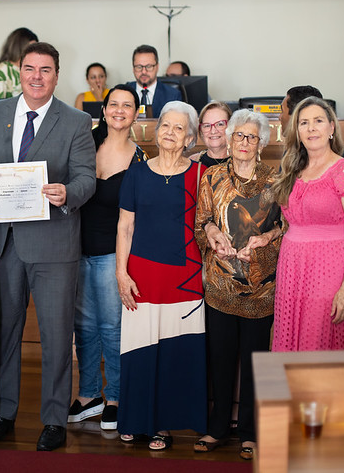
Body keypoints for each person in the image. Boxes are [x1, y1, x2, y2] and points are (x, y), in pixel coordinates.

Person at [0, 42, 96, 452]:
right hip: (5, 245)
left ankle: (54, 420)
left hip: (55, 247)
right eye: (29, 68)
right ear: (19, 72)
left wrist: (66, 192)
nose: (36, 76)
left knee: (57, 338)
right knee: (5, 334)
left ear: (57, 75)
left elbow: (86, 179)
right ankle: (3, 413)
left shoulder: (76, 121)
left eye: (45, 70)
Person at [115, 100, 206, 450]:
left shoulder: (200, 175)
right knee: (138, 349)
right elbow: (125, 227)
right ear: (156, 131)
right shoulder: (136, 172)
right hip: (141, 274)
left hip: (186, 277)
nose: (170, 132)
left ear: (189, 138)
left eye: (178, 128)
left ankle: (163, 426)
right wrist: (121, 274)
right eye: (165, 125)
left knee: (175, 352)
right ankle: (136, 419)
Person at [194, 109, 282, 461]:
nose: (244, 142)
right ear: (228, 140)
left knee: (255, 362)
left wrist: (267, 238)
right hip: (220, 286)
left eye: (251, 137)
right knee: (221, 359)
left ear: (261, 143)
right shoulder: (211, 177)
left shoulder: (275, 181)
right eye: (238, 136)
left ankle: (248, 432)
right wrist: (213, 232)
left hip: (261, 289)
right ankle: (217, 428)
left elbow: (288, 227)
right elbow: (201, 222)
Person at [68, 85, 146, 431]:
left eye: (126, 105)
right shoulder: (85, 144)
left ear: (136, 113)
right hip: (75, 250)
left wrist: (124, 267)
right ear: (103, 109)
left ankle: (114, 395)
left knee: (112, 329)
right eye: (113, 104)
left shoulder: (140, 159)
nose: (118, 110)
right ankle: (88, 395)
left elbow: (136, 218)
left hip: (112, 254)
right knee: (83, 328)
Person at [271, 96, 344, 351]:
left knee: (318, 340)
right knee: (289, 341)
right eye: (304, 122)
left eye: (318, 121)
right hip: (291, 267)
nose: (311, 128)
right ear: (297, 131)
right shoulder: (291, 169)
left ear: (331, 128)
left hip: (328, 267)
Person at [126, 44, 182, 119]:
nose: (144, 72)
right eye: (139, 67)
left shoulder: (172, 95)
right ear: (133, 68)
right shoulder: (124, 92)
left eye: (149, 66)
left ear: (157, 67)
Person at [0, 27, 38, 99]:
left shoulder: (36, 68)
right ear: (19, 47)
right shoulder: (4, 70)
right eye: (30, 48)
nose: (33, 52)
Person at [190, 101, 232, 167]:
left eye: (220, 124)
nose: (213, 131)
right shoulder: (192, 162)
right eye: (207, 125)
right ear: (201, 131)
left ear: (231, 126)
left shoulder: (243, 161)